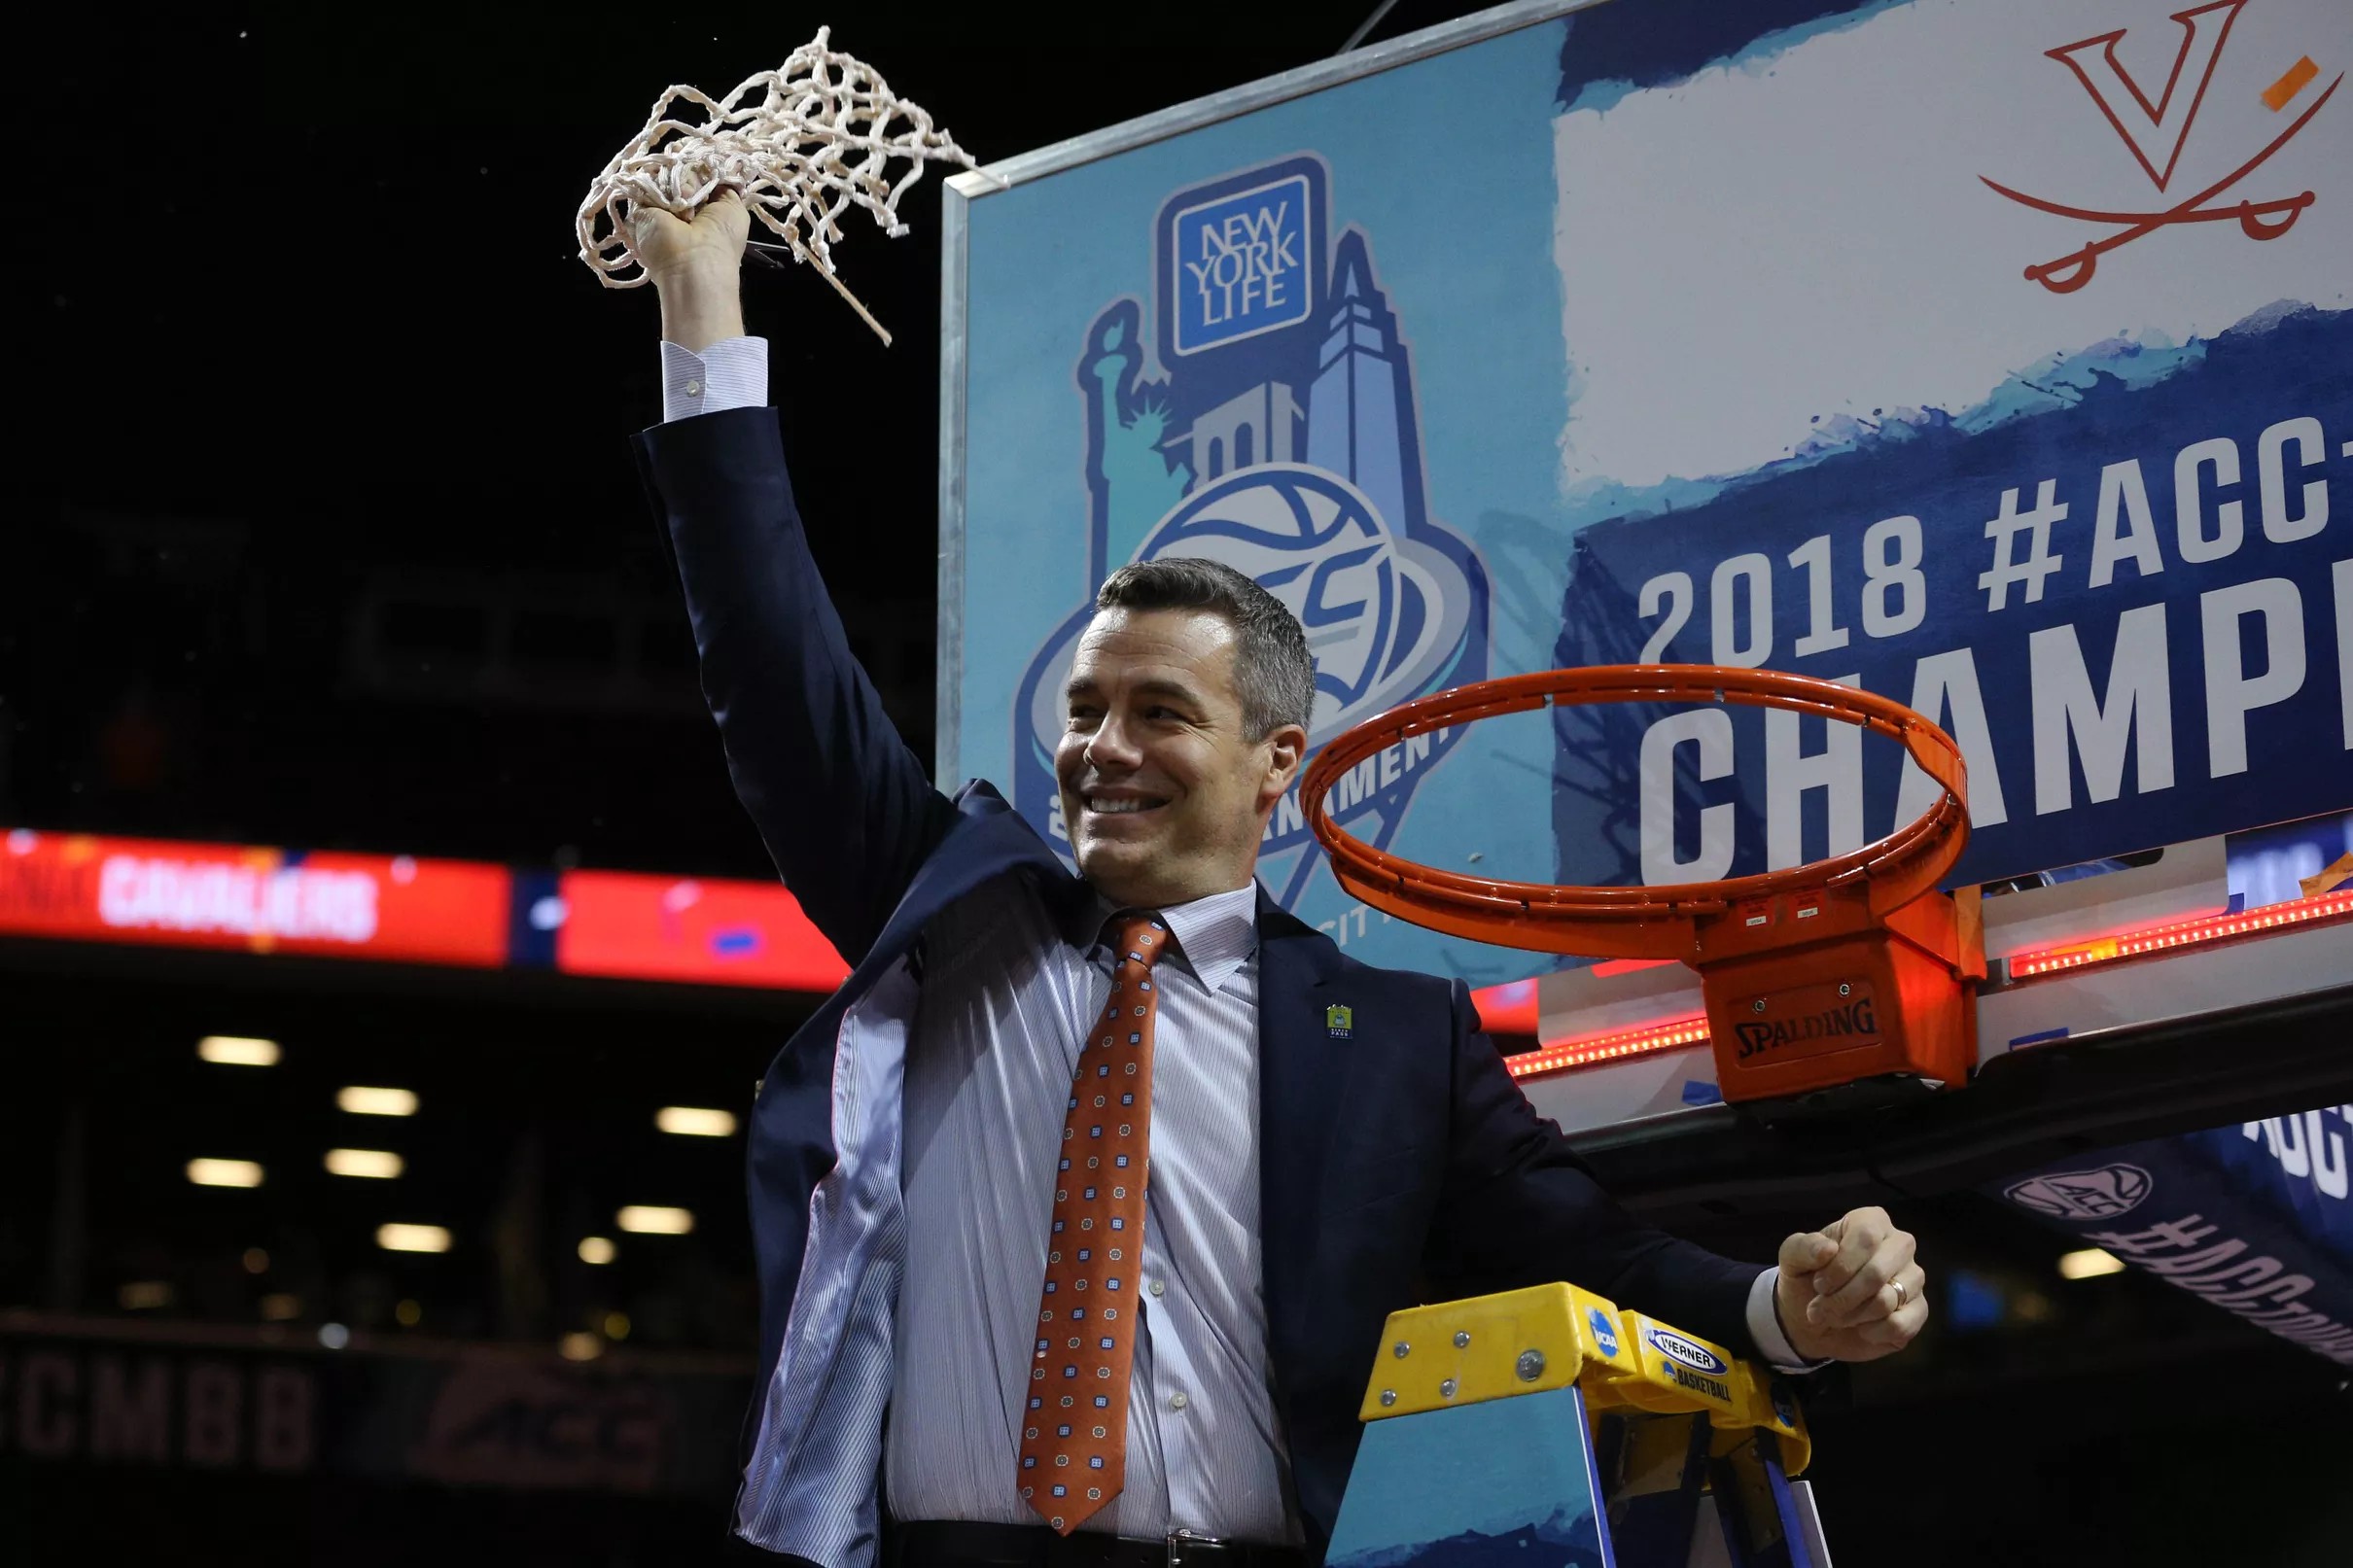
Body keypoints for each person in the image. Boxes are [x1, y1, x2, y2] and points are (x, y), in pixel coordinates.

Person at [624, 195, 1926, 1568]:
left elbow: (1594, 1257)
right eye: (1083, 707)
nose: (1100, 749)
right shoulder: (955, 920)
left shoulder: (1398, 1043)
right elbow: (776, 672)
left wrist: (1788, 1308)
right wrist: (705, 302)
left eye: (1159, 712)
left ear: (1274, 759)